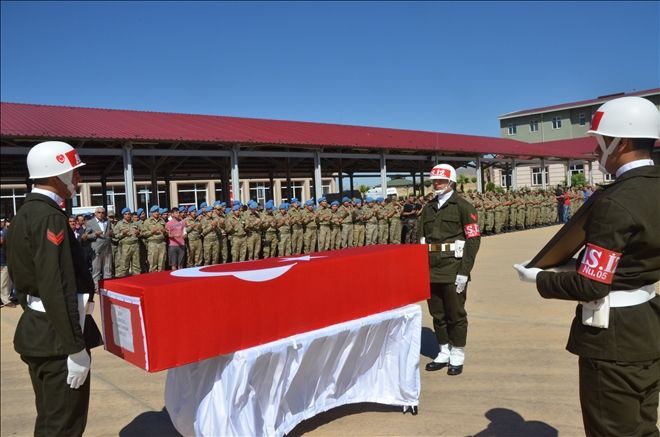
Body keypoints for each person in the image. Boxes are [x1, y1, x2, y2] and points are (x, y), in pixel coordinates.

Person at [513, 96, 660, 436]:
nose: (596, 152)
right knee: (643, 426)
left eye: (600, 143)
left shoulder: (615, 201)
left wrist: (539, 279)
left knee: (611, 430)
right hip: (647, 324)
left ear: (619, 142)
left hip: (613, 337)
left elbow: (592, 285)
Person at [6, 141, 103, 436]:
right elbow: (56, 284)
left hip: (40, 331)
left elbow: (24, 279)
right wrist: (75, 348)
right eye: (73, 173)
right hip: (58, 340)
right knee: (64, 427)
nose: (78, 180)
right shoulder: (49, 217)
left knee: (50, 421)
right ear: (55, 175)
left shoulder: (25, 214)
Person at [421, 163, 481, 376]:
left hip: (453, 268)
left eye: (440, 180)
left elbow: (473, 241)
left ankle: (457, 353)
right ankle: (443, 350)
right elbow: (420, 241)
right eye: (434, 181)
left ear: (451, 182)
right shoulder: (428, 208)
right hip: (431, 269)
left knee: (455, 313)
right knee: (437, 314)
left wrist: (464, 271)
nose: (436, 184)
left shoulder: (464, 207)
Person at [85, 206, 113, 290]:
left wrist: (111, 234)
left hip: (107, 248)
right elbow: (86, 236)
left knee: (107, 268)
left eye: (103, 213)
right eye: (99, 212)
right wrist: (94, 235)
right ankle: (96, 287)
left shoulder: (107, 221)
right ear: (95, 213)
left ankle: (107, 286)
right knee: (96, 269)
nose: (101, 214)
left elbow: (109, 232)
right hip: (96, 248)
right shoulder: (90, 222)